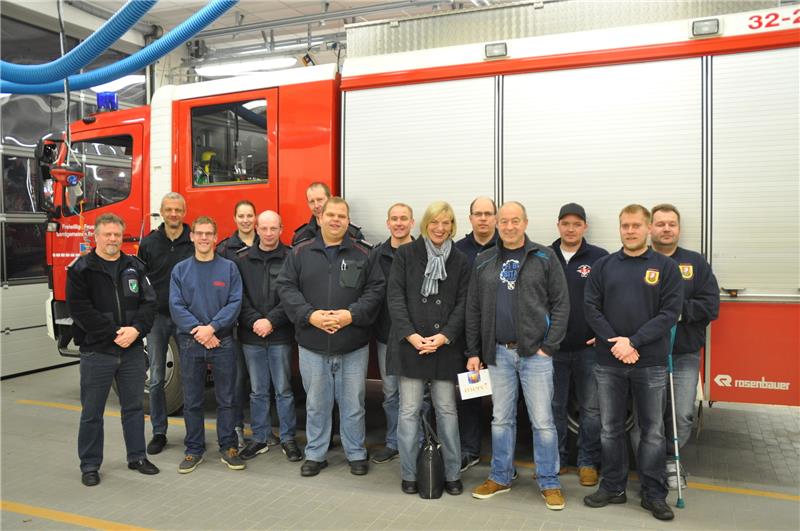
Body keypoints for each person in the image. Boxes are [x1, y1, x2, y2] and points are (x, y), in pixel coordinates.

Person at [583, 204, 683, 521]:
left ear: (649, 227)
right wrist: (617, 343)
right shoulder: (604, 265)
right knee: (610, 428)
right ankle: (613, 487)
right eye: (625, 225)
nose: (630, 231)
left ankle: (654, 494)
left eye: (636, 225)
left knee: (652, 431)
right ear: (620, 228)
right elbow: (591, 308)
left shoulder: (665, 268)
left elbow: (669, 313)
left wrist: (634, 342)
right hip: (609, 361)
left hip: (649, 362)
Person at [467, 201, 569, 511]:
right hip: (497, 354)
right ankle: (499, 476)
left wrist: (547, 346)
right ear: (497, 224)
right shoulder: (484, 260)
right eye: (504, 221)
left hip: (535, 355)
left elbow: (561, 305)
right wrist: (474, 351)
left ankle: (549, 481)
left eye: (515, 221)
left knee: (542, 421)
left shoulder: (544, 256)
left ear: (525, 223)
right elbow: (473, 308)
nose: (509, 227)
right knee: (501, 419)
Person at [277, 197, 384, 477]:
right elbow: (286, 288)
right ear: (320, 218)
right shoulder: (300, 253)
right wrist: (309, 315)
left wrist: (351, 315)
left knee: (353, 404)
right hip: (312, 344)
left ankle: (356, 452)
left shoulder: (364, 254)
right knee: (316, 404)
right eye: (331, 215)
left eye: (342, 216)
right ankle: (315, 453)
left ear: (348, 221)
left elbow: (375, 291)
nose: (336, 220)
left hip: (352, 344)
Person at [66, 213, 159, 486]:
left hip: (130, 351)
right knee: (92, 412)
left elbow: (149, 303)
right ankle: (90, 465)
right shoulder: (81, 269)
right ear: (95, 237)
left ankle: (137, 457)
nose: (112, 239)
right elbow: (80, 310)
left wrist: (136, 330)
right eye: (107, 234)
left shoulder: (134, 266)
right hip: (97, 351)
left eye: (117, 235)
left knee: (133, 408)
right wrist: (114, 333)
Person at [386, 201, 470, 495]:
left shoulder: (460, 260)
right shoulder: (407, 254)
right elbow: (394, 297)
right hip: (411, 346)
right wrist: (410, 335)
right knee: (408, 411)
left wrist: (444, 336)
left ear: (452, 226)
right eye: (435, 222)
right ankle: (409, 474)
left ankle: (451, 474)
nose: (440, 228)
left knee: (447, 410)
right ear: (425, 224)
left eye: (446, 222)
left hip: (445, 347)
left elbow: (463, 304)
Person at [650, 203, 719, 488]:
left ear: (678, 229)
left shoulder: (696, 263)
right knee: (650, 415)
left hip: (683, 354)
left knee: (682, 414)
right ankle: (650, 466)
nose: (666, 228)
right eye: (661, 223)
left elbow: (710, 306)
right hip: (647, 354)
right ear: (650, 228)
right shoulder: (640, 261)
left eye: (672, 224)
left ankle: (671, 461)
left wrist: (677, 311)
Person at [170, 216, 244, 474]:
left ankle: (228, 446)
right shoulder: (180, 270)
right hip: (191, 343)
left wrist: (211, 328)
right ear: (191, 237)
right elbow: (176, 306)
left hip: (221, 340)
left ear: (215, 237)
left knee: (227, 398)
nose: (203, 238)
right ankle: (193, 449)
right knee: (192, 400)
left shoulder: (229, 268)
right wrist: (200, 331)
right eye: (199, 233)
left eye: (208, 234)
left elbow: (235, 303)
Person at [235, 210, 302, 463]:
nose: (268, 233)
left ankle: (287, 439)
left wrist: (271, 321)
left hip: (281, 334)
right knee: (257, 391)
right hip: (251, 335)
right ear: (255, 228)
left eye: (273, 228)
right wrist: (255, 321)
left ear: (281, 229)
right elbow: (238, 297)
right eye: (263, 228)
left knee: (284, 390)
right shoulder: (242, 260)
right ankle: (260, 439)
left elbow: (294, 295)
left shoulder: (291, 257)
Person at [549, 203, 608, 486]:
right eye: (565, 223)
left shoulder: (599, 258)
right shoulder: (543, 255)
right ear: (558, 225)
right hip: (552, 349)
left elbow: (612, 298)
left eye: (576, 223)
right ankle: (556, 460)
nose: (570, 229)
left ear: (585, 226)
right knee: (554, 407)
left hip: (589, 349)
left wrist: (605, 332)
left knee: (591, 408)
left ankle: (587, 463)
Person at [137, 192, 194, 456]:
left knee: (190, 376)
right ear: (161, 210)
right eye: (169, 209)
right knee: (157, 377)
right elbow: (139, 282)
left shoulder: (193, 240)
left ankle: (193, 434)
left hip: (186, 317)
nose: (174, 214)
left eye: (178, 210)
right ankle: (159, 432)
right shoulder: (149, 243)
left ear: (184, 211)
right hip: (158, 319)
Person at [216, 200, 271, 448]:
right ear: (235, 219)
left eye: (250, 215)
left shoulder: (265, 244)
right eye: (241, 215)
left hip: (260, 325)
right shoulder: (225, 249)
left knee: (262, 383)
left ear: (256, 219)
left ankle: (264, 431)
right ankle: (237, 428)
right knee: (236, 380)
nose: (246, 220)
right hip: (235, 326)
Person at [454, 196, 498, 472]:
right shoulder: (457, 251)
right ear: (469, 218)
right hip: (466, 338)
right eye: (477, 214)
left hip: (499, 336)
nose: (483, 218)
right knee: (468, 397)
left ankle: (501, 457)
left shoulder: (507, 248)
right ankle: (469, 450)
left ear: (495, 217)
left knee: (503, 402)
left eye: (488, 213)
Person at [370, 203, 415, 464]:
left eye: (404, 219)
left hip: (415, 338)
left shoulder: (422, 252)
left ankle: (417, 441)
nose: (399, 223)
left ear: (412, 223)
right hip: (386, 336)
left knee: (419, 395)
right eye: (394, 219)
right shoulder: (377, 255)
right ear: (388, 223)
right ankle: (393, 442)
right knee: (390, 393)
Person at [291, 182, 364, 245]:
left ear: (330, 199)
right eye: (312, 202)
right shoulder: (300, 236)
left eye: (320, 200)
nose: (316, 205)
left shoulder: (352, 233)